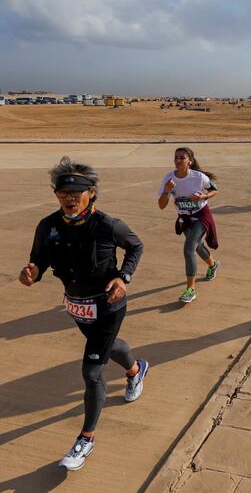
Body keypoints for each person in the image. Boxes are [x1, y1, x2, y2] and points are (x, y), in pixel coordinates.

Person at [20, 157, 147, 471]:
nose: (69, 196)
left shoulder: (108, 225)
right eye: (63, 190)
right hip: (77, 306)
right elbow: (39, 259)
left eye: (77, 190)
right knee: (108, 347)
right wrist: (32, 272)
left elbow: (136, 247)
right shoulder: (47, 226)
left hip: (108, 305)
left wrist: (124, 277)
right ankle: (135, 370)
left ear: (92, 192)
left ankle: (85, 439)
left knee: (92, 371)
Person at [157, 147, 220, 304]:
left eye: (182, 158)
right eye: (176, 157)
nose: (178, 160)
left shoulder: (199, 177)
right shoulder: (169, 178)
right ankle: (213, 265)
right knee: (197, 247)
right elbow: (161, 205)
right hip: (185, 218)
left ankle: (190, 289)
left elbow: (215, 190)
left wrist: (204, 196)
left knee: (188, 248)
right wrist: (166, 191)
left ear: (189, 161)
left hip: (201, 215)